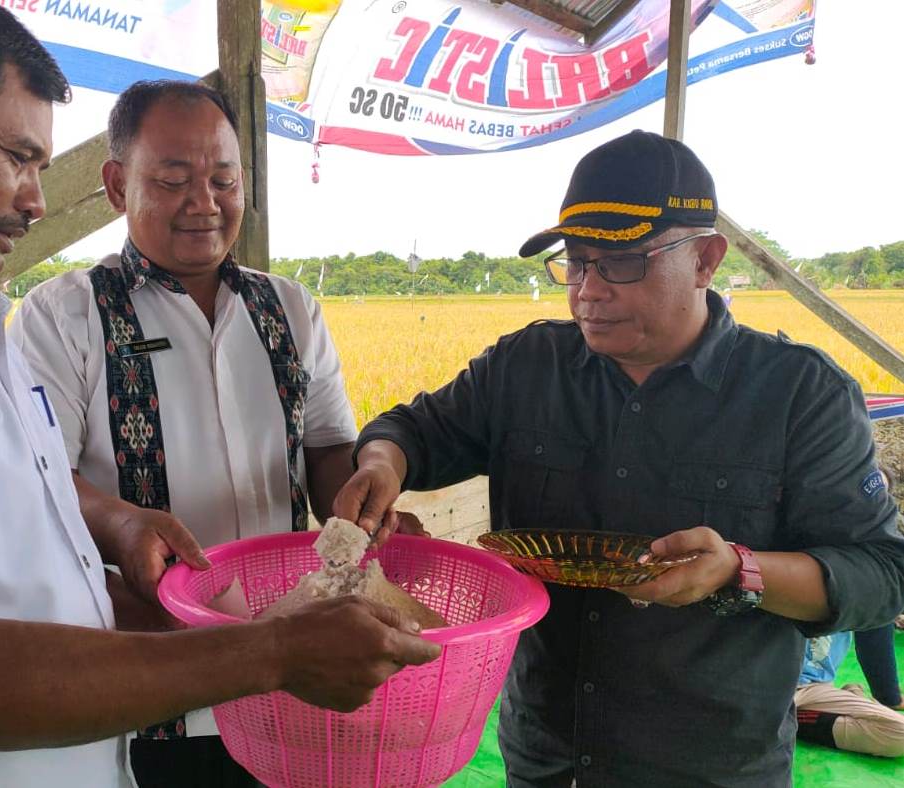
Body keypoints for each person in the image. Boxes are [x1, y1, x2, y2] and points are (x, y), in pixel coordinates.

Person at [0, 3, 440, 788]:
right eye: (18, 156)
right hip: (143, 700)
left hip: (142, 699)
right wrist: (268, 648)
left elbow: (44, 533)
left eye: (224, 179)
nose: (35, 201)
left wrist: (324, 542)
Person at [333, 129, 904, 787]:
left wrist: (737, 570)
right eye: (576, 262)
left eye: (622, 262)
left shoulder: (796, 392)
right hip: (547, 754)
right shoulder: (526, 367)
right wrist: (381, 464)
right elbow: (409, 431)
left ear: (704, 259)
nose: (588, 292)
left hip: (709, 766)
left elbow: (880, 572)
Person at [8, 78, 405, 787]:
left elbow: (324, 449)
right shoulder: (63, 315)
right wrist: (122, 523)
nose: (205, 203)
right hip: (149, 672)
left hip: (291, 665)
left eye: (224, 179)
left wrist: (360, 501)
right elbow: (36, 478)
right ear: (114, 184)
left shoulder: (289, 309)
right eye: (172, 180)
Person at [796, 625, 904, 757]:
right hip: (770, 687)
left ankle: (795, 717)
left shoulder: (863, 605)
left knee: (898, 733)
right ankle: (790, 717)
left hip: (815, 687)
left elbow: (874, 633)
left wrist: (889, 696)